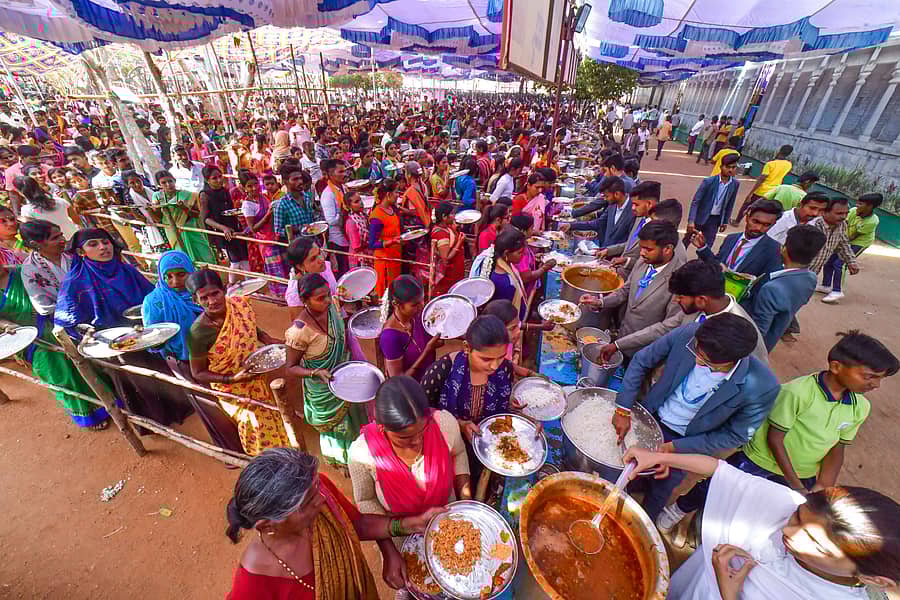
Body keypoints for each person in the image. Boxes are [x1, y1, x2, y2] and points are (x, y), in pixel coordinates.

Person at [623, 446, 900, 600]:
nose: (788, 531)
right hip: (688, 589)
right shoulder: (785, 503)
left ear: (872, 579)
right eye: (797, 516)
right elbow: (720, 471)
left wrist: (728, 594)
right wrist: (659, 457)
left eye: (816, 544)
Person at [612, 313, 780, 520]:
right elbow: (641, 361)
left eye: (706, 361)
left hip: (690, 441)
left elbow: (735, 435)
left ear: (732, 361)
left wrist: (673, 449)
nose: (696, 359)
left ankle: (639, 522)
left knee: (662, 486)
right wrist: (623, 409)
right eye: (696, 351)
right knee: (626, 470)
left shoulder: (762, 386)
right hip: (650, 417)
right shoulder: (690, 334)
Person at [225, 448, 446, 599]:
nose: (321, 500)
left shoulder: (318, 492)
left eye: (316, 490)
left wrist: (409, 525)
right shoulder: (252, 586)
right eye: (307, 502)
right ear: (267, 526)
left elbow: (356, 525)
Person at [55, 228, 193, 430]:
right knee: (135, 381)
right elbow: (69, 319)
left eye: (106, 242)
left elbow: (151, 297)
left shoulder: (126, 270)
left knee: (159, 371)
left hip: (145, 333)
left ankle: (180, 410)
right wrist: (92, 334)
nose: (103, 248)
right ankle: (153, 422)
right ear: (81, 252)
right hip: (114, 343)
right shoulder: (75, 282)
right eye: (93, 244)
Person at [13, 220, 110, 430]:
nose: (62, 240)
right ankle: (92, 414)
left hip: (94, 309)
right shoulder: (31, 270)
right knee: (71, 368)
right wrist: (76, 305)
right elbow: (43, 307)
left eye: (60, 235)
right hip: (62, 322)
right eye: (55, 237)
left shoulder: (72, 255)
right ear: (37, 244)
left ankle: (119, 399)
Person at [185, 268, 290, 455]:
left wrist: (268, 339)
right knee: (254, 426)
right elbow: (197, 372)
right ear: (195, 300)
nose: (212, 301)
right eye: (204, 298)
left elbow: (250, 327)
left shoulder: (239, 307)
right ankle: (266, 462)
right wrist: (233, 378)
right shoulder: (198, 333)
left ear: (224, 290)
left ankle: (284, 450)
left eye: (215, 293)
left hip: (255, 376)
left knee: (270, 413)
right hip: (232, 389)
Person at [348, 376, 471, 530]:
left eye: (423, 430)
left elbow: (458, 453)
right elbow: (365, 500)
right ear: (381, 427)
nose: (417, 441)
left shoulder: (444, 424)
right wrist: (395, 532)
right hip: (401, 536)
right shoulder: (362, 454)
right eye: (405, 438)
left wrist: (466, 502)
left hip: (448, 522)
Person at [285, 273, 367, 466]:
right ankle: (343, 461)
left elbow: (342, 334)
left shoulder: (334, 308)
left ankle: (361, 456)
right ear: (305, 301)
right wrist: (315, 373)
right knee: (338, 430)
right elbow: (290, 368)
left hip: (345, 375)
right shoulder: (298, 332)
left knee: (355, 418)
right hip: (323, 388)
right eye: (320, 299)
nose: (328, 301)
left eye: (328, 295)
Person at [580, 221, 686, 360]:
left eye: (648, 249)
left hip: (644, 353)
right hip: (623, 336)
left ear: (667, 249)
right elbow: (625, 290)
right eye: (641, 248)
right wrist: (600, 302)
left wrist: (618, 344)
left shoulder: (680, 280)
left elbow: (666, 328)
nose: (641, 253)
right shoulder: (644, 262)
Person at [421, 315, 522, 447]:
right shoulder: (442, 370)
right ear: (467, 347)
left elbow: (502, 405)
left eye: (501, 357)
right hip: (448, 440)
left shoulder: (505, 369)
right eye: (486, 359)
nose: (495, 366)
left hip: (491, 441)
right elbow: (422, 410)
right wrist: (458, 424)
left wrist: (527, 421)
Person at [743, 224, 827, 351]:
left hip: (755, 348)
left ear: (784, 249)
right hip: (771, 341)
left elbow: (758, 331)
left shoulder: (772, 289)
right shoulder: (811, 278)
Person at [667, 259, 768, 363]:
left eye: (680, 297)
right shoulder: (697, 305)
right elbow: (667, 327)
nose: (675, 300)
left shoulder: (742, 332)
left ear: (702, 299)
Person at [694, 199, 783, 277]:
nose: (759, 228)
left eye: (766, 225)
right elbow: (718, 264)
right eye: (755, 222)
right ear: (747, 217)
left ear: (773, 224)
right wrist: (703, 248)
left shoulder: (774, 250)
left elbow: (765, 284)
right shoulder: (730, 239)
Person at [820, 193, 881, 305]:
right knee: (828, 259)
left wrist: (837, 242)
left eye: (861, 204)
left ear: (870, 206)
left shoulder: (872, 221)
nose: (857, 205)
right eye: (857, 202)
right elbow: (842, 225)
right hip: (845, 237)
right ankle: (826, 285)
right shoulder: (852, 211)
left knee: (839, 263)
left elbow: (852, 237)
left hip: (859, 242)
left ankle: (837, 291)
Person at [379, 275, 441, 379]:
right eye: (415, 304)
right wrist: (427, 351)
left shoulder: (418, 315)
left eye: (423, 300)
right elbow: (398, 380)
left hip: (428, 377)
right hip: (412, 389)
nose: (422, 306)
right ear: (396, 304)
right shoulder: (390, 337)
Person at [484, 227, 552, 321]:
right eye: (520, 253)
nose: (523, 255)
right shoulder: (505, 283)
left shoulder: (504, 263)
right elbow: (507, 320)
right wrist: (538, 327)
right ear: (506, 253)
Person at [596, 180, 660, 278]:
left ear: (649, 204)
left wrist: (627, 261)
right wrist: (608, 251)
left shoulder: (656, 230)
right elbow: (630, 243)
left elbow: (650, 263)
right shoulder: (640, 218)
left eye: (636, 204)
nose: (632, 208)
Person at [152, 169, 218, 265]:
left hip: (191, 229)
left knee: (205, 255)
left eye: (170, 181)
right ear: (159, 185)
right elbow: (157, 218)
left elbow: (197, 215)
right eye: (164, 183)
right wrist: (150, 209)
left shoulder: (188, 195)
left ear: (174, 180)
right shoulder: (157, 196)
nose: (168, 184)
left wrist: (184, 208)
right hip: (172, 232)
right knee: (184, 259)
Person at [240, 173, 288, 297]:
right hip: (266, 242)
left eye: (255, 184)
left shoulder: (264, 197)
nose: (254, 188)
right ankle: (280, 296)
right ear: (244, 188)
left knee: (286, 266)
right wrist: (267, 215)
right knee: (276, 270)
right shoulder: (247, 205)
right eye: (249, 186)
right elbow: (253, 228)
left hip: (276, 237)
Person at [199, 166, 250, 283]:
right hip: (222, 231)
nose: (218, 180)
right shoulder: (205, 195)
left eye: (220, 176)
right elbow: (205, 219)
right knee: (235, 261)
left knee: (245, 258)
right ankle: (231, 285)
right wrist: (224, 228)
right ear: (207, 180)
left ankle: (249, 284)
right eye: (214, 178)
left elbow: (230, 210)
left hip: (234, 227)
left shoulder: (225, 191)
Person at [687, 153, 741, 249]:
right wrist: (691, 220)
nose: (730, 170)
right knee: (687, 240)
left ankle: (702, 263)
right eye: (728, 167)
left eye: (733, 167)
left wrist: (724, 221)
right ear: (721, 167)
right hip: (700, 216)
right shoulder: (709, 181)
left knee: (707, 246)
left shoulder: (735, 184)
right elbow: (696, 201)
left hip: (714, 220)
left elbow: (730, 203)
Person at [561, 177, 633, 247]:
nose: (605, 199)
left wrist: (610, 251)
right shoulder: (613, 205)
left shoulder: (633, 211)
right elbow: (598, 223)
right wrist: (571, 225)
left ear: (617, 194)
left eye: (607, 196)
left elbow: (630, 243)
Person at [733, 145, 793, 224]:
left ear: (779, 150)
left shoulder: (770, 164)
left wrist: (751, 193)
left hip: (762, 190)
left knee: (747, 205)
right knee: (763, 209)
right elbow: (785, 174)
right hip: (774, 191)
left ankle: (737, 221)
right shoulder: (789, 164)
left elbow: (762, 179)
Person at [810, 197, 861, 287]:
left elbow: (844, 243)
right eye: (839, 213)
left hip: (812, 272)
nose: (844, 217)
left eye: (846, 213)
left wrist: (851, 261)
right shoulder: (813, 225)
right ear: (824, 212)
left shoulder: (842, 225)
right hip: (797, 271)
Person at [284, 237, 338, 320]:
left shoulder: (324, 267)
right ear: (300, 266)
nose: (321, 259)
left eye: (319, 253)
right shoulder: (295, 292)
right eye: (313, 259)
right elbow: (300, 325)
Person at [14, 175, 78, 239]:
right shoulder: (60, 201)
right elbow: (77, 220)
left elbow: (33, 232)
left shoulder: (27, 210)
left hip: (57, 243)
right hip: (74, 236)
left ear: (19, 192)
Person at [369, 179, 404, 297]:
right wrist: (391, 241)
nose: (398, 195)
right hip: (384, 262)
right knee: (386, 294)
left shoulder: (392, 209)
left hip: (395, 258)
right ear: (388, 195)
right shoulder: (377, 216)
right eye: (396, 192)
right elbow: (372, 244)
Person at [319, 159, 350, 276]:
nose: (345, 174)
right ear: (330, 175)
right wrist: (343, 212)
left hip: (347, 235)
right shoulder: (328, 194)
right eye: (340, 172)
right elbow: (331, 220)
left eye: (345, 171)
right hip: (338, 239)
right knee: (343, 270)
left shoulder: (343, 187)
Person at [273, 167, 318, 242]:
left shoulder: (306, 197)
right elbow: (278, 231)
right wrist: (298, 229)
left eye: (300, 178)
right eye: (295, 179)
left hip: (314, 242)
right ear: (285, 182)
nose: (300, 182)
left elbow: (311, 218)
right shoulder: (282, 204)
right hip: (298, 246)